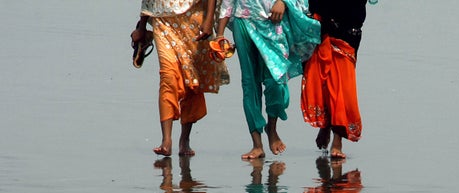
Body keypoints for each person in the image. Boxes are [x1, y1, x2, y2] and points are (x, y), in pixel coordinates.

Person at [217, 1, 320, 159]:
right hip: (243, 20)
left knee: (276, 81)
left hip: (272, 22)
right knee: (249, 83)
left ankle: (271, 128)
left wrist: (283, 2)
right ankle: (257, 144)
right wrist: (220, 34)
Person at [131, 0, 228, 157]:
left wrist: (209, 19)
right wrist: (142, 26)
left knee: (191, 79)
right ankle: (166, 140)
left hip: (194, 16)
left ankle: (185, 139)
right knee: (168, 76)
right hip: (163, 19)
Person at [301, 0, 371, 158]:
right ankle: (325, 126)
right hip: (321, 20)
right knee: (322, 80)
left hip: (348, 25)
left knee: (341, 84)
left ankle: (337, 139)